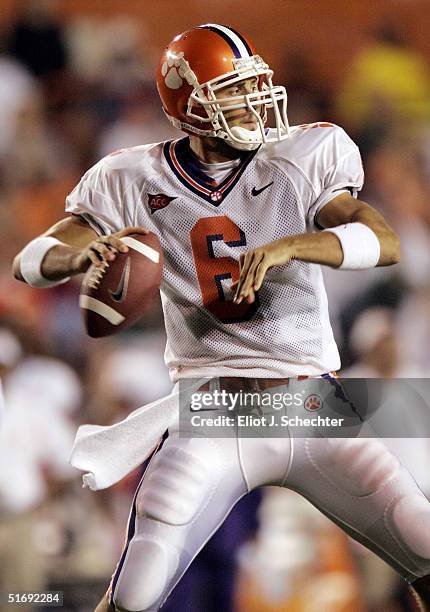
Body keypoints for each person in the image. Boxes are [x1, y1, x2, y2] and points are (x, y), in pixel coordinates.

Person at [13, 23, 430, 612]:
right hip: (212, 410)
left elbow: (381, 240)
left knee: (423, 541)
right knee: (135, 591)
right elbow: (30, 262)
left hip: (309, 403)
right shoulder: (132, 177)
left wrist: (292, 245)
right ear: (189, 106)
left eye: (253, 85)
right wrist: (80, 254)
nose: (255, 102)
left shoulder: (302, 156)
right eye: (232, 92)